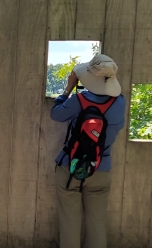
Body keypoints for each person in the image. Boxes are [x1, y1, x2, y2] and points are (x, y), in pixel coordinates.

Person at [50, 54, 126, 248]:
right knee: (97, 223)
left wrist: (68, 88)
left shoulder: (79, 100)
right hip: (101, 167)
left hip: (71, 167)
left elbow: (56, 114)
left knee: (70, 222)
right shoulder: (120, 103)